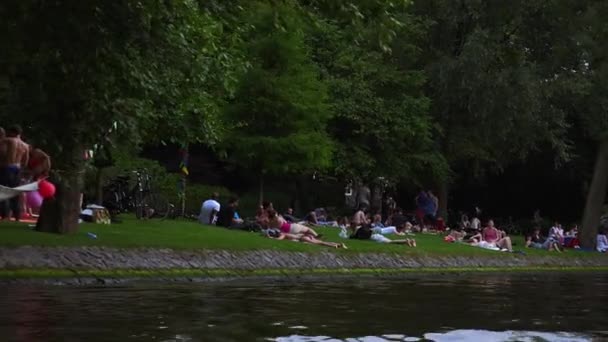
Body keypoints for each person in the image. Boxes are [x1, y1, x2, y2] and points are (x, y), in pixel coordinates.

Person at [0, 125, 29, 221]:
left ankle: (5, 215)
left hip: (7, 167)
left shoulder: (9, 140)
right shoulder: (25, 145)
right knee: (15, 193)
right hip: (17, 168)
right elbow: (25, 161)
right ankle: (17, 216)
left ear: (12, 132)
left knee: (3, 190)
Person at [263, 228, 347, 249]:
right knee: (320, 241)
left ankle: (334, 246)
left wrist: (269, 238)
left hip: (303, 238)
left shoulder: (283, 234)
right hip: (303, 236)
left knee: (321, 243)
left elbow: (279, 240)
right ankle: (339, 244)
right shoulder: (286, 233)